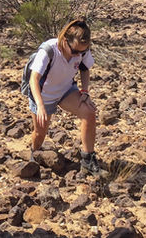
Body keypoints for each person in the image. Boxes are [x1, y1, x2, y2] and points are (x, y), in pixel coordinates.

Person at [23, 18, 100, 175]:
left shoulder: (81, 49)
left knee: (89, 112)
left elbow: (85, 69)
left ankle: (88, 160)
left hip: (66, 90)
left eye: (82, 52)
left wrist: (85, 91)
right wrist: (40, 105)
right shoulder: (48, 50)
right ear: (65, 40)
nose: (78, 55)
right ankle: (35, 154)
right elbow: (34, 79)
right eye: (75, 51)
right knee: (40, 133)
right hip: (43, 95)